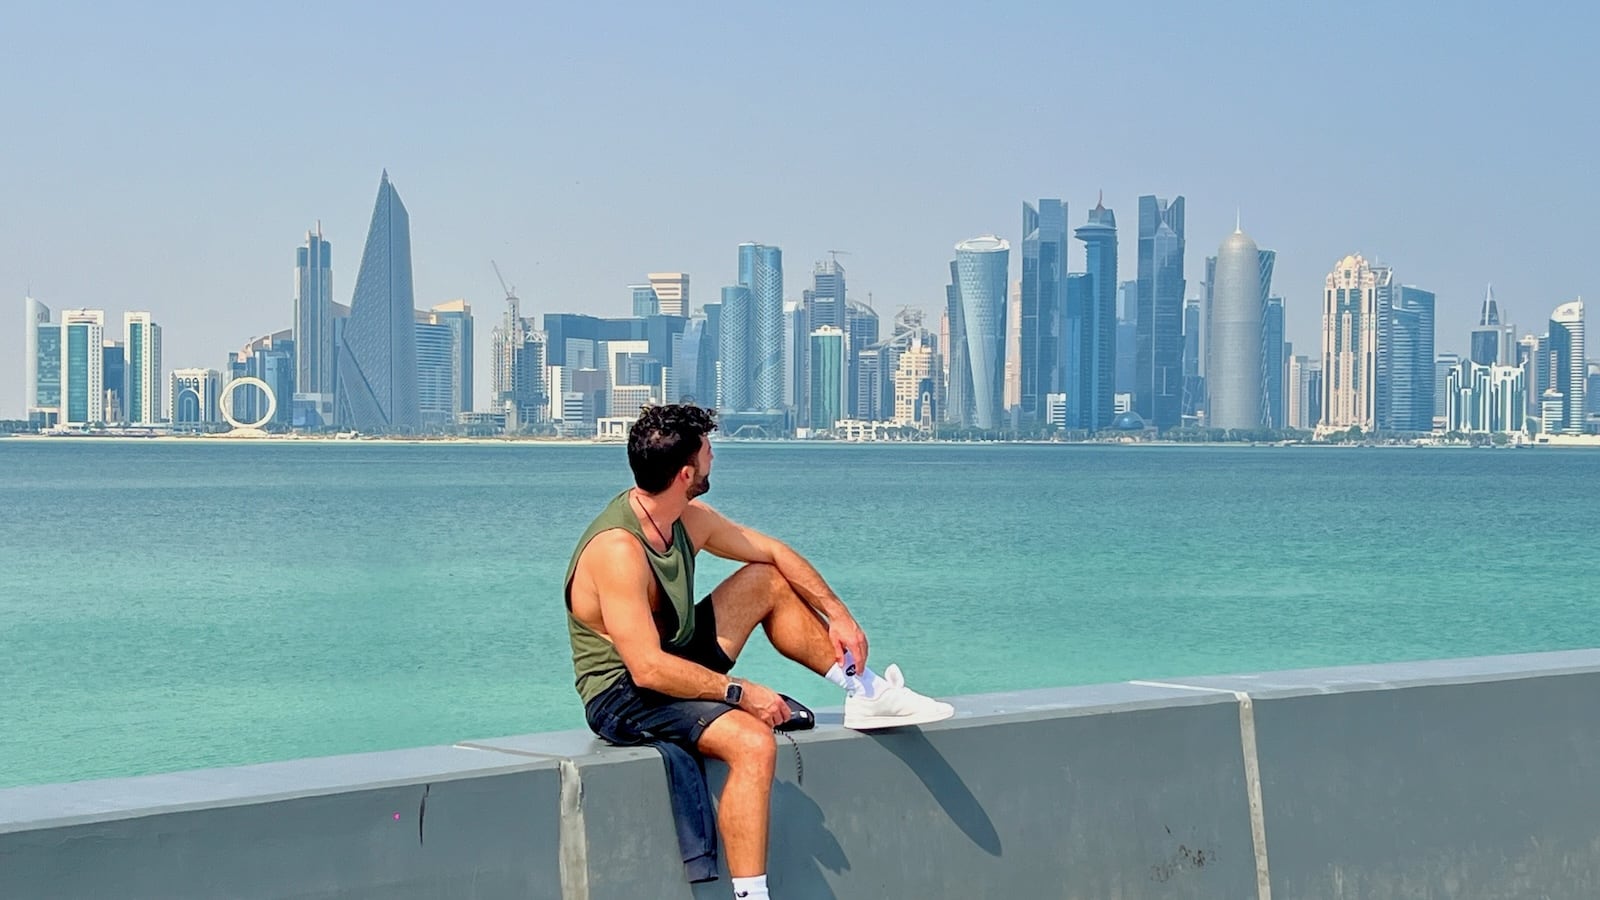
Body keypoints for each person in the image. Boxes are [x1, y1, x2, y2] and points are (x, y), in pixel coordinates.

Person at [565, 404, 953, 900]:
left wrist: (838, 614)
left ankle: (865, 690)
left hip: (673, 658)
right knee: (752, 742)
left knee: (765, 581)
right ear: (686, 473)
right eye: (707, 452)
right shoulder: (617, 550)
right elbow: (645, 667)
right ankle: (752, 897)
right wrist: (740, 692)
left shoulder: (687, 518)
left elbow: (773, 553)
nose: (713, 459)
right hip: (624, 694)